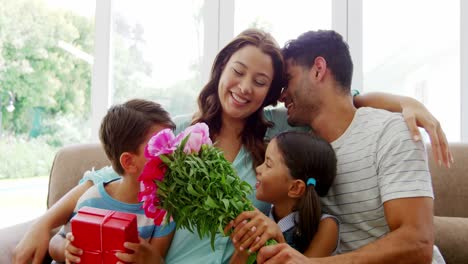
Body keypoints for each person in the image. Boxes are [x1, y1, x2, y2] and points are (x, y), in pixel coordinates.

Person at [12, 28, 451, 264]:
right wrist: (44, 223)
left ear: (271, 93)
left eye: (261, 82)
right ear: (221, 67)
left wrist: (402, 101)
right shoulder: (178, 133)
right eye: (238, 72)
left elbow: (341, 102)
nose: (245, 88)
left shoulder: (281, 132)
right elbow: (111, 174)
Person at [251, 30, 445, 263]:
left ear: (318, 69)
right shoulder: (295, 143)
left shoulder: (391, 131)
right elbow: (236, 113)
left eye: (288, 80)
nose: (281, 96)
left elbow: (418, 244)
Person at [48, 99, 176, 264]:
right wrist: (65, 249)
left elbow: (157, 258)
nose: (172, 155)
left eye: (172, 145)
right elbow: (56, 241)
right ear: (129, 163)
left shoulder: (163, 210)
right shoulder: (92, 200)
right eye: (160, 148)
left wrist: (151, 259)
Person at [229, 131, 339, 264]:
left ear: (295, 188)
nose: (258, 168)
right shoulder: (261, 219)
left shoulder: (326, 226)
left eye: (268, 164)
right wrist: (244, 247)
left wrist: (277, 238)